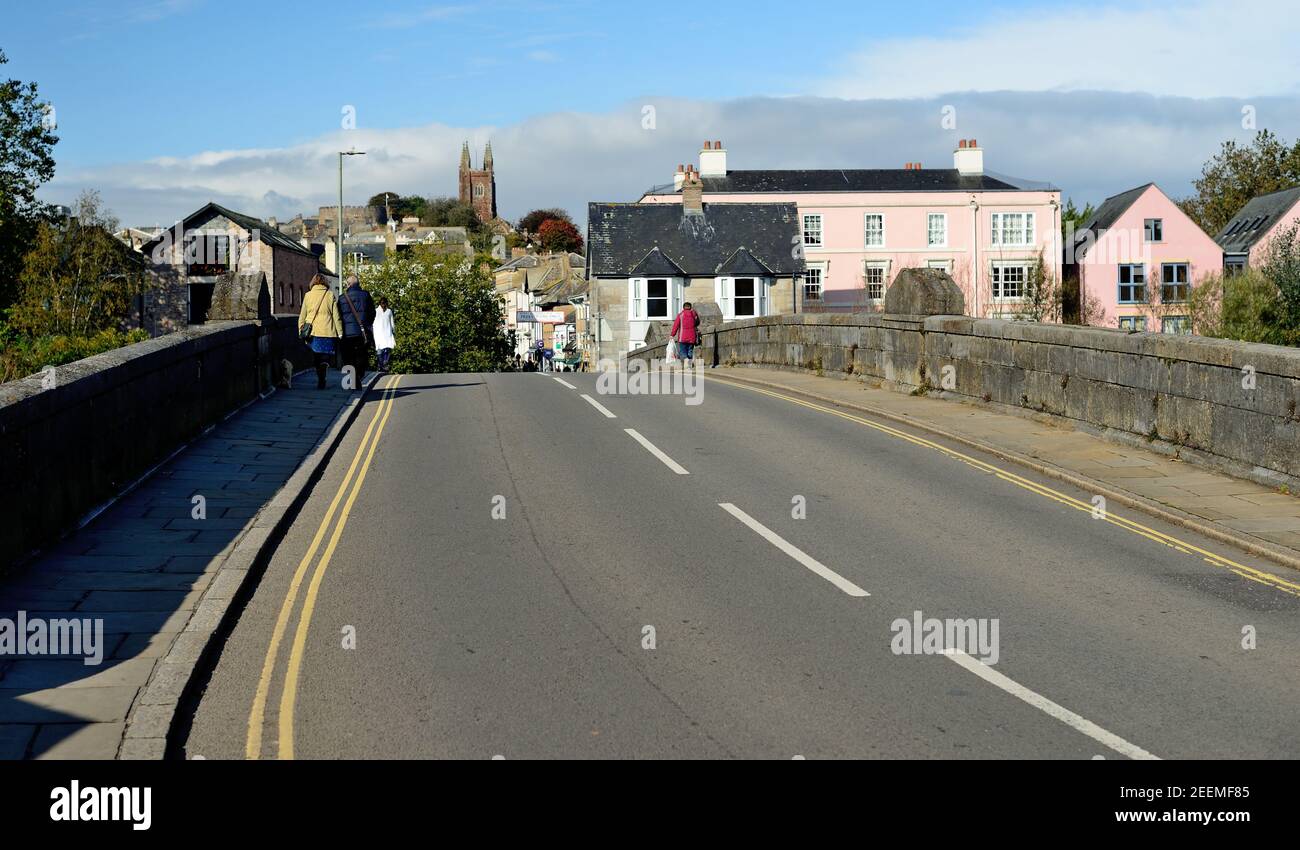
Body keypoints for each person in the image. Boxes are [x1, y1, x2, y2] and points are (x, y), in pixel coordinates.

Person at [299, 274, 344, 389]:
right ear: (325, 283)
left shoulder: (308, 295)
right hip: (328, 331)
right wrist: (340, 332)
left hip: (313, 332)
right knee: (325, 356)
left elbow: (302, 315)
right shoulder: (330, 295)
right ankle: (323, 372)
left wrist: (301, 330)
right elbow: (336, 315)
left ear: (313, 282)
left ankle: (321, 378)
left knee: (316, 356)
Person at [338, 274, 375, 381]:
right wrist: (367, 324)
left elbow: (338, 316)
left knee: (348, 357)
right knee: (361, 355)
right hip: (362, 332)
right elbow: (372, 312)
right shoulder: (366, 295)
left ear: (348, 285)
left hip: (347, 333)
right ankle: (359, 375)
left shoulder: (342, 298)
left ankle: (352, 379)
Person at [671, 301, 702, 367]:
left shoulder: (680, 315)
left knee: (683, 351)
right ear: (690, 307)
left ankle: (687, 361)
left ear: (683, 307)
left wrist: (672, 335)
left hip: (682, 337)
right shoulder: (694, 314)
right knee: (690, 350)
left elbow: (675, 326)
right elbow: (698, 322)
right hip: (692, 336)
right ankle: (689, 364)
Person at [372, 296, 396, 372]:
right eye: (382, 303)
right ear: (379, 304)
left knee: (388, 348)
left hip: (387, 333)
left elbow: (392, 322)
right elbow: (373, 323)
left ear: (386, 303)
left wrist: (393, 331)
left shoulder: (389, 311)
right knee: (380, 350)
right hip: (378, 334)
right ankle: (381, 365)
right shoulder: (376, 311)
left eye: (384, 303)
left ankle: (384, 363)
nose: (383, 305)